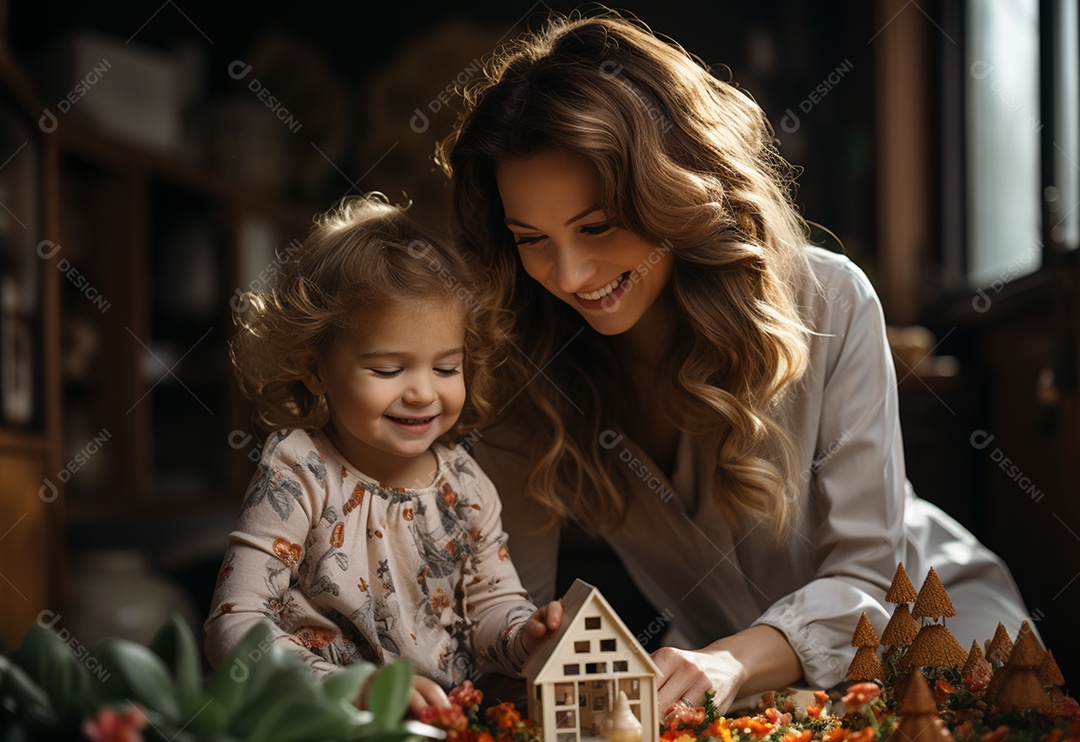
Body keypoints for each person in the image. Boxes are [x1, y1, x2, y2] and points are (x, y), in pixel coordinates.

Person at [436, 11, 1033, 712]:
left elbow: (869, 579)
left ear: (674, 190)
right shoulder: (526, 366)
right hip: (739, 693)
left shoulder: (831, 300)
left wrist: (729, 663)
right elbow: (509, 610)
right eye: (532, 239)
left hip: (939, 641)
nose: (569, 275)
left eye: (596, 227)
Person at [203, 195, 562, 714]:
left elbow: (491, 610)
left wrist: (526, 634)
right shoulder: (299, 469)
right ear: (316, 368)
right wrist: (350, 690)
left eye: (445, 368)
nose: (422, 393)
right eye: (389, 370)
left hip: (442, 723)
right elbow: (232, 625)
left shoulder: (466, 483)